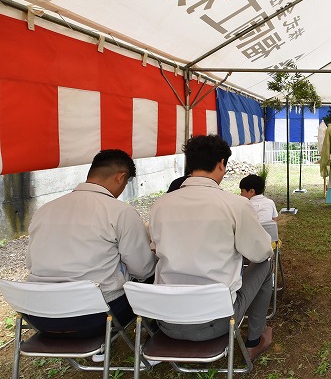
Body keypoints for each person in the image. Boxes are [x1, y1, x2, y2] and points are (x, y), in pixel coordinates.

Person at [149, 135, 274, 360]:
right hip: (216, 321)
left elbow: (155, 249)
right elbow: (262, 251)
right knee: (265, 263)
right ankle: (255, 340)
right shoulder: (236, 205)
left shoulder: (161, 204)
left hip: (165, 319)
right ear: (221, 164)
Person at [25, 149, 156, 338]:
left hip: (39, 316)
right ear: (121, 177)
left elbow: (31, 264)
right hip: (95, 317)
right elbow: (143, 269)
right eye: (125, 183)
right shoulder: (119, 212)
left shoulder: (44, 210)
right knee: (152, 276)